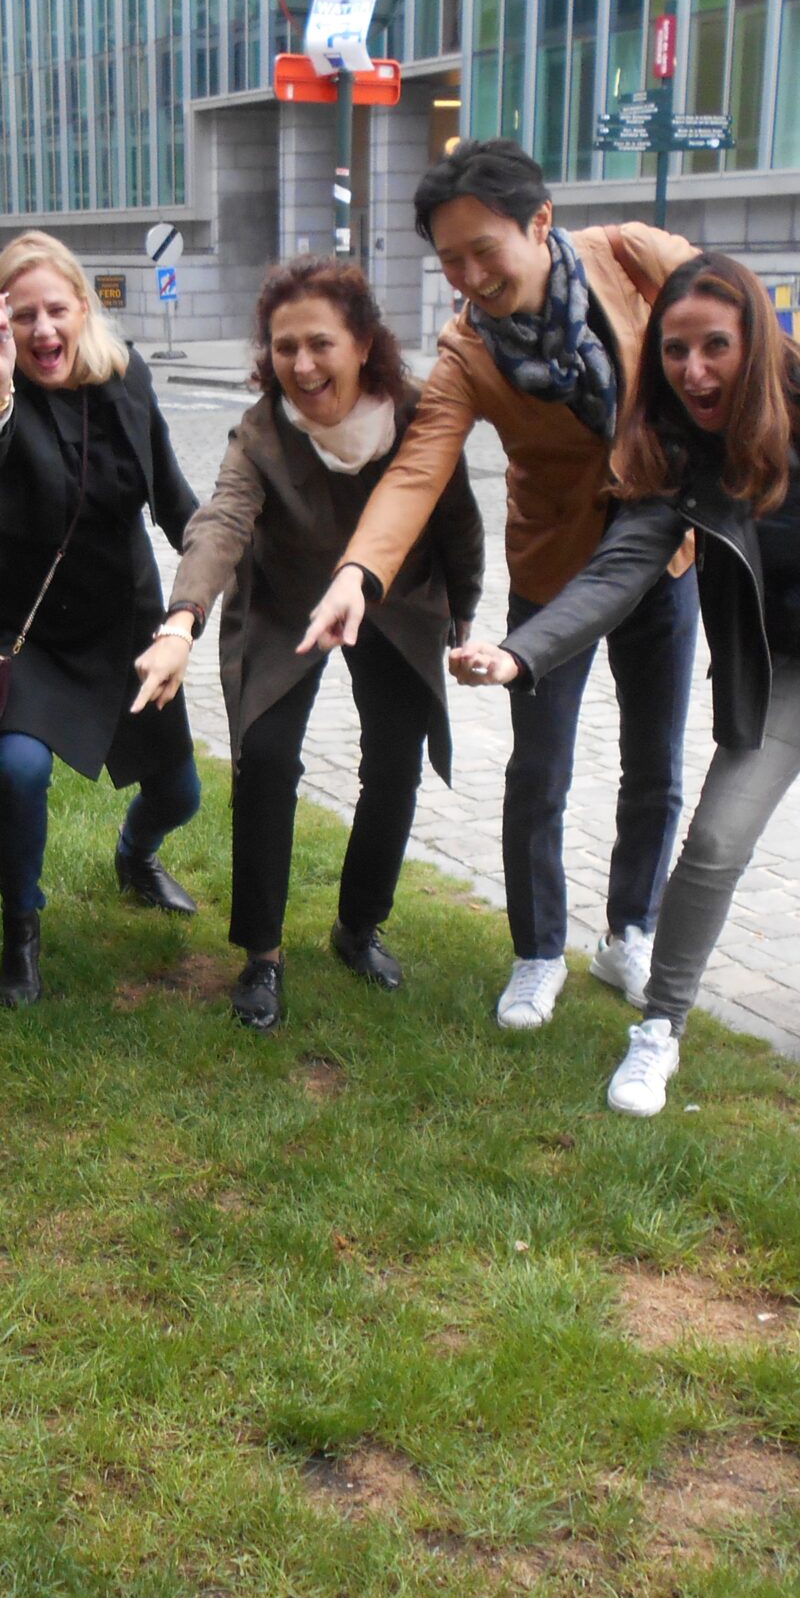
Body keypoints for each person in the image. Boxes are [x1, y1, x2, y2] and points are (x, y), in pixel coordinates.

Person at [448, 252, 800, 1115]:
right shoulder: (681, 457)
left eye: (715, 346)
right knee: (718, 838)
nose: (694, 370)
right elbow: (616, 572)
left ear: (754, 338)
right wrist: (519, 654)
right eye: (675, 350)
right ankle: (658, 1031)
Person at [301, 139, 699, 1031]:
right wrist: (358, 572)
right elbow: (418, 470)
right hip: (556, 568)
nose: (471, 277)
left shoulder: (635, 258)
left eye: (485, 250)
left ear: (540, 222)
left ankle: (633, 931)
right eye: (451, 260)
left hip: (664, 553)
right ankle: (537, 950)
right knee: (538, 771)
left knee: (656, 763)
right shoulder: (468, 351)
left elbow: (736, 330)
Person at [132, 257, 482, 1030]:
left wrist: (464, 607)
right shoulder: (263, 429)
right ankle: (262, 955)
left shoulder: (417, 415)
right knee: (264, 760)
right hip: (286, 602)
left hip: (395, 602)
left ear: (363, 343)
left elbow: (455, 513)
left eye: (320, 343)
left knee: (394, 764)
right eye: (284, 346)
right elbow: (222, 521)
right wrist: (182, 620)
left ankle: (358, 927)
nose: (302, 363)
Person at [0, 231, 202, 1008]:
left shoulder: (126, 378)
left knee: (181, 795)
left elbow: (172, 496)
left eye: (56, 310)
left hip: (125, 624)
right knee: (22, 770)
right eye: (22, 315)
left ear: (83, 308)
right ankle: (20, 932)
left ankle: (137, 854)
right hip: (29, 628)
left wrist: (217, 569)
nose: (42, 330)